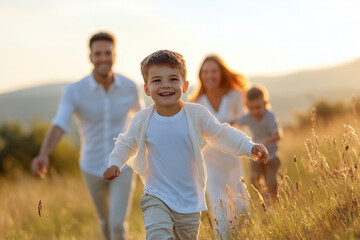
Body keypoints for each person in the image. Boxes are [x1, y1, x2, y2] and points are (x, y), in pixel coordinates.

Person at [103, 50, 268, 240]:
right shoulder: (142, 119)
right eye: (157, 81)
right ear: (147, 89)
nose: (166, 85)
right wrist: (115, 162)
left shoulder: (196, 114)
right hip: (156, 196)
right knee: (158, 235)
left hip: (189, 201)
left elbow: (221, 133)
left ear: (185, 85)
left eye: (173, 79)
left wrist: (248, 146)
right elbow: (126, 142)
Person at [31, 32, 143, 240]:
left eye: (107, 53)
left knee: (118, 224)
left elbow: (142, 121)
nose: (103, 58)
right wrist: (44, 154)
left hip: (124, 166)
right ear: (90, 57)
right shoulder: (75, 91)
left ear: (114, 55)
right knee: (105, 222)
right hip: (91, 167)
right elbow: (60, 124)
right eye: (98, 53)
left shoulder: (129, 87)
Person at [190, 55, 250, 238]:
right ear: (201, 75)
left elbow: (241, 122)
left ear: (221, 73)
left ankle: (243, 235)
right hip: (210, 162)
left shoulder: (234, 95)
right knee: (218, 203)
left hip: (232, 159)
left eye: (214, 71)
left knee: (240, 204)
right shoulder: (196, 102)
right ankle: (222, 237)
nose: (210, 76)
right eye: (206, 72)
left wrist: (226, 126)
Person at [236, 86, 282, 204]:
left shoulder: (269, 117)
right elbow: (235, 123)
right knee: (254, 179)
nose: (255, 111)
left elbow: (278, 135)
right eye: (251, 108)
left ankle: (275, 202)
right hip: (256, 156)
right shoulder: (248, 116)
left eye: (258, 107)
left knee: (271, 181)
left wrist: (264, 141)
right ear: (246, 105)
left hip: (271, 157)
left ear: (265, 103)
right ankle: (265, 201)